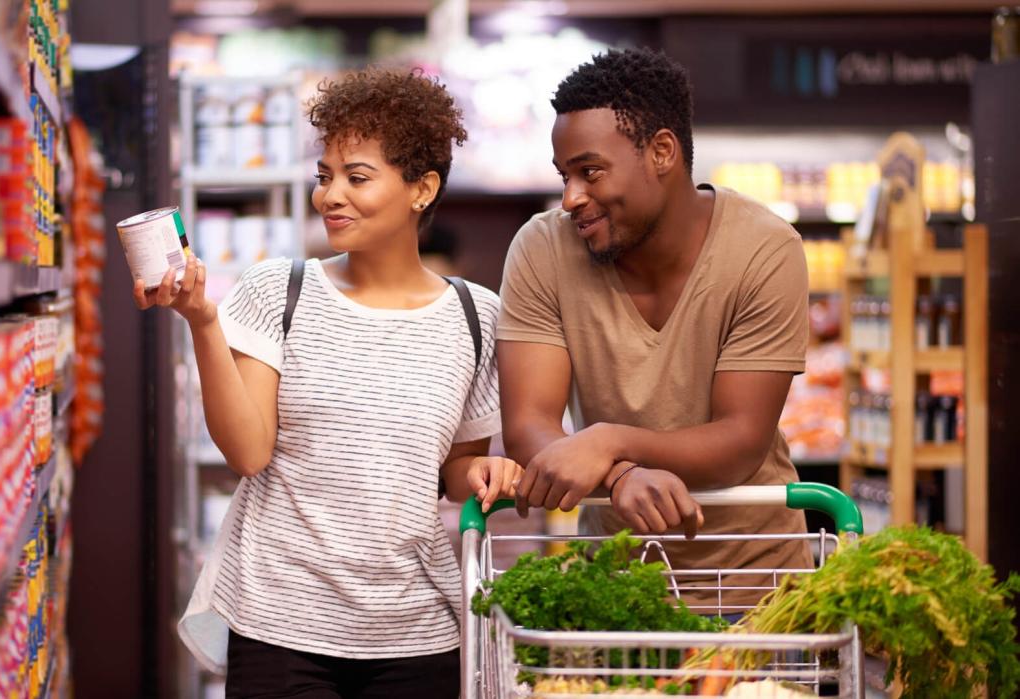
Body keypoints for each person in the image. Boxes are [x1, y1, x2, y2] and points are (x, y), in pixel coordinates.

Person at [137, 68, 521, 698]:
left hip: (416, 629)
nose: (329, 196)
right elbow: (247, 452)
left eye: (357, 177)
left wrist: (487, 475)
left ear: (422, 188)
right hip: (280, 624)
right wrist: (204, 320)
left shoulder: (477, 317)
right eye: (324, 176)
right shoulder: (276, 292)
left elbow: (455, 472)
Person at [498, 48, 813, 613]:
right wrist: (621, 476)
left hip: (760, 590)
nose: (571, 197)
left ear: (662, 151)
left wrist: (608, 441)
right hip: (618, 591)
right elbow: (528, 426)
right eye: (564, 176)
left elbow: (742, 440)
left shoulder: (764, 249)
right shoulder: (542, 248)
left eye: (590, 171)